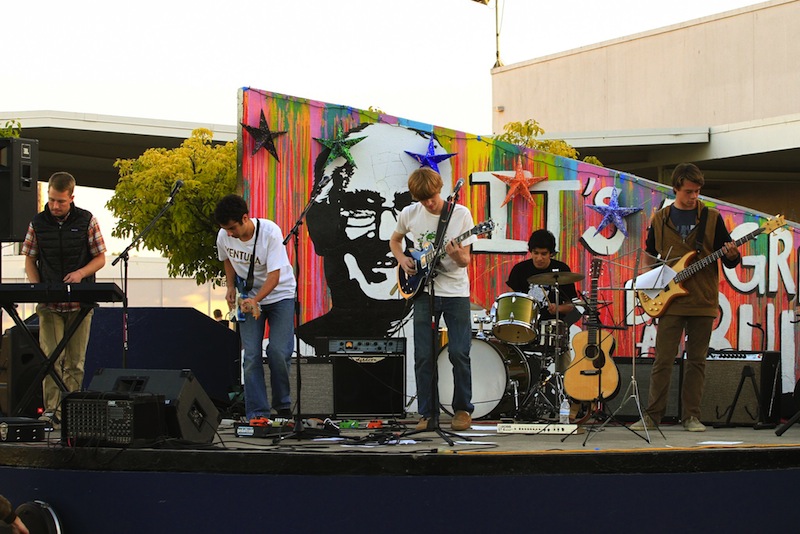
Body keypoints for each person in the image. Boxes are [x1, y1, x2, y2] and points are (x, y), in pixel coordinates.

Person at [299, 123, 449, 346]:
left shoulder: (446, 346)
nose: (385, 232)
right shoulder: (297, 350)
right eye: (361, 209)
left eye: (406, 206)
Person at [632, 163, 740, 432]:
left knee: (696, 361)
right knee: (663, 359)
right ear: (677, 187)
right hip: (670, 300)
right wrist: (651, 283)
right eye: (689, 191)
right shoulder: (660, 218)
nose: (694, 196)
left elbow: (729, 260)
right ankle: (652, 416)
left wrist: (732, 255)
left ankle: (691, 416)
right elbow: (649, 254)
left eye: (697, 191)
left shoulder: (712, 218)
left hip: (703, 299)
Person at [390, 167, 475, 431]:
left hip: (456, 293)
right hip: (423, 292)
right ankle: (427, 413)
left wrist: (458, 254)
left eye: (432, 197)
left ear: (439, 189)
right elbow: (395, 241)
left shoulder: (460, 215)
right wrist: (402, 259)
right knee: (424, 356)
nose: (429, 203)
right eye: (423, 199)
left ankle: (462, 409)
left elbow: (466, 260)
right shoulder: (409, 214)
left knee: (460, 352)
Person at [22, 172, 107, 426]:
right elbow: (29, 258)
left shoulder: (87, 220)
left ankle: (71, 411)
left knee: (75, 361)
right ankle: (52, 413)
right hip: (49, 304)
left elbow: (100, 258)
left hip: (79, 304)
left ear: (71, 197)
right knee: (51, 359)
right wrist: (38, 288)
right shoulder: (37, 222)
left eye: (60, 201)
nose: (55, 206)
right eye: (51, 200)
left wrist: (81, 274)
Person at [214, 194, 297, 421]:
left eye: (232, 228)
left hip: (280, 296)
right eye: (226, 230)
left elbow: (275, 275)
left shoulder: (270, 232)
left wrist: (256, 300)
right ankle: (257, 413)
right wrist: (231, 287)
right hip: (248, 299)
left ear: (245, 217)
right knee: (250, 356)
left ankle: (282, 406)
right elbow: (227, 259)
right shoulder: (223, 235)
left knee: (278, 352)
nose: (229, 234)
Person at [506, 229, 579, 371]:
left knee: (562, 346)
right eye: (536, 253)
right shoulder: (520, 270)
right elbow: (511, 299)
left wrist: (558, 308)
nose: (539, 258)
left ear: (551, 253)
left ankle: (565, 387)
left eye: (544, 254)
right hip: (526, 324)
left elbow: (571, 305)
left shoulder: (561, 269)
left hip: (552, 326)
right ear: (531, 252)